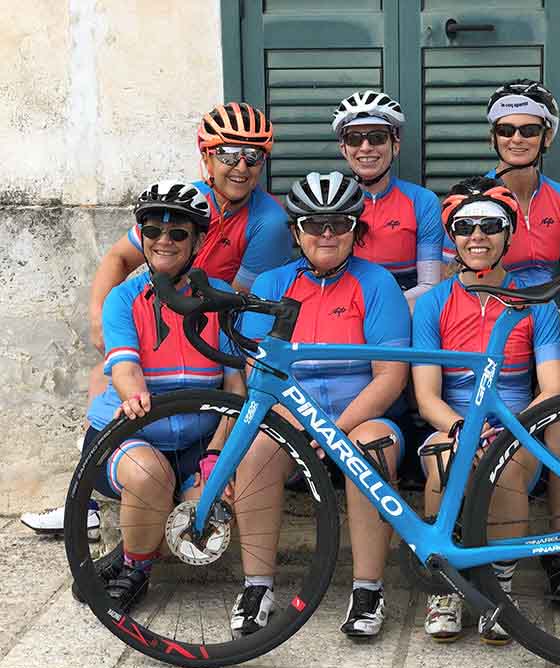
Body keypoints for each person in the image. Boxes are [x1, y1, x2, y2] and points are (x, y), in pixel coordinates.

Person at [21, 102, 291, 536]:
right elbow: (119, 257)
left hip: (212, 316)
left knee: (215, 385)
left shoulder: (269, 221)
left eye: (253, 156)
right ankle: (88, 498)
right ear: (207, 156)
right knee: (107, 377)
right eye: (228, 154)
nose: (240, 166)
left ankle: (175, 482)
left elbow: (237, 300)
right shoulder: (179, 204)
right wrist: (99, 316)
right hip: (165, 304)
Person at [412, 177, 560, 645]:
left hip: (517, 424)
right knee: (443, 459)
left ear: (509, 235)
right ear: (451, 236)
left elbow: (552, 386)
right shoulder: (434, 303)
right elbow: (427, 395)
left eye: (491, 226)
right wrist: (461, 430)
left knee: (506, 465)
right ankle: (447, 586)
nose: (477, 236)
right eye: (464, 226)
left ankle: (500, 585)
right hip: (450, 422)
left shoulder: (534, 303)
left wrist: (507, 432)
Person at [231, 171, 411, 640]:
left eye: (338, 223)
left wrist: (332, 430)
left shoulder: (378, 284)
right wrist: (299, 424)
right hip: (290, 415)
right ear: (296, 232)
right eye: (314, 224)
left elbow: (390, 377)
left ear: (356, 228)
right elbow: (258, 371)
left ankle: (368, 588)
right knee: (255, 451)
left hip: (363, 416)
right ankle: (257, 586)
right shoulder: (271, 284)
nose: (326, 233)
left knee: (368, 447)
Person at [73, 180, 245, 609]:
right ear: (142, 237)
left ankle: (130, 552)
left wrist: (217, 455)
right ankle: (137, 569)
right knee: (151, 475)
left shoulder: (219, 301)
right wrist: (133, 396)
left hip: (197, 443)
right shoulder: (123, 299)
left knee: (201, 517)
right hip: (132, 433)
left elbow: (234, 386)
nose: (164, 241)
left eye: (178, 233)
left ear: (198, 240)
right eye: (152, 231)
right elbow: (125, 366)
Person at [441, 79, 560, 281]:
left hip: (549, 309)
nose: (517, 139)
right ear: (493, 138)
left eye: (529, 130)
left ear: (546, 137)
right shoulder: (467, 201)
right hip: (490, 308)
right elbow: (451, 284)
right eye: (505, 130)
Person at [332, 91, 443, 308]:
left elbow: (430, 284)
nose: (365, 147)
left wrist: (380, 309)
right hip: (344, 310)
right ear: (344, 149)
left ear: (395, 145)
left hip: (404, 309)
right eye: (354, 139)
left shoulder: (422, 201)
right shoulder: (332, 202)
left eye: (377, 137)